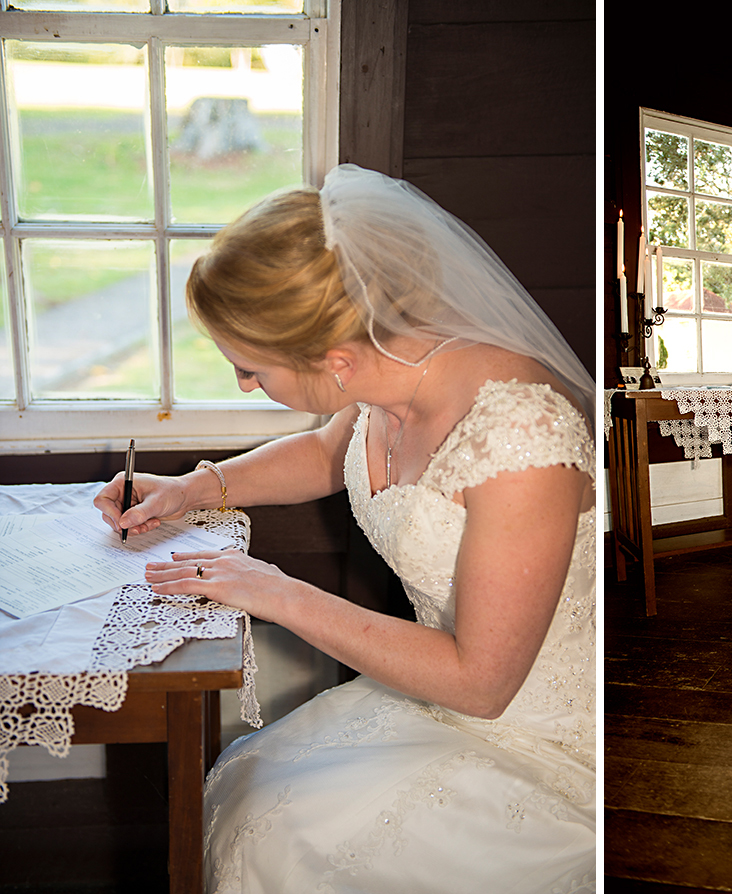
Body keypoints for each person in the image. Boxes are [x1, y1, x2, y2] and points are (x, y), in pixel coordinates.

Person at [93, 164, 596, 892]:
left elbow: (483, 684)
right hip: (434, 696)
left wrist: (276, 591)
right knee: (258, 790)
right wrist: (196, 487)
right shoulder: (389, 364)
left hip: (537, 736)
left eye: (250, 369)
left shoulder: (521, 438)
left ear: (334, 360)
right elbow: (332, 453)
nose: (243, 384)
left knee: (286, 841)